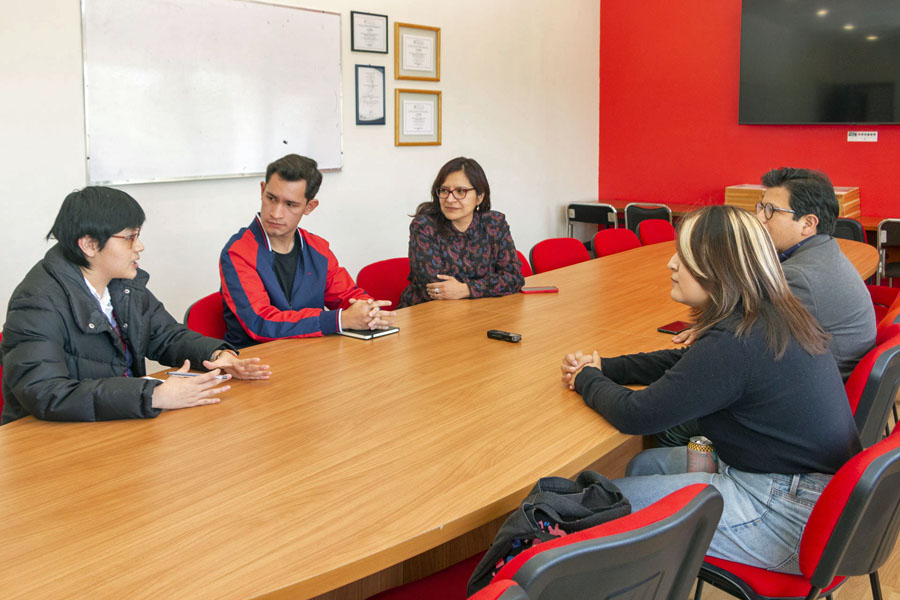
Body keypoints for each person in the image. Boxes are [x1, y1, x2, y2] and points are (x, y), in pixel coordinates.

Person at [560, 205, 861, 575]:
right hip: (811, 493)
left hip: (784, 514)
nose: (671, 264)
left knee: (597, 510)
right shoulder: (768, 314)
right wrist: (606, 366)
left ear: (720, 268)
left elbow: (636, 415)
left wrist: (584, 379)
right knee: (644, 463)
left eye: (684, 257)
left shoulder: (736, 342)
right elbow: (686, 364)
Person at [1, 187, 271, 425]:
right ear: (89, 244)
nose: (139, 246)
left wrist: (217, 355)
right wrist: (153, 395)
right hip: (46, 442)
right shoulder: (36, 302)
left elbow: (166, 336)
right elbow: (46, 392)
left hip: (114, 422)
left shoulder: (120, 282)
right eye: (130, 237)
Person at [660, 167, 876, 446]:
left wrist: (710, 326)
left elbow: (735, 337)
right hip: (828, 403)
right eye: (760, 207)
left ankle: (694, 483)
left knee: (671, 421)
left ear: (808, 224)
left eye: (771, 211)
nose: (759, 218)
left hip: (800, 416)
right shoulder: (824, 254)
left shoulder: (798, 277)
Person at [219, 154, 395, 348]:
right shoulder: (238, 252)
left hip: (310, 356)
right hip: (255, 362)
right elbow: (261, 322)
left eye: (290, 204)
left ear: (309, 206)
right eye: (271, 198)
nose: (276, 213)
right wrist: (339, 320)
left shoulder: (317, 248)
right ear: (262, 191)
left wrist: (368, 310)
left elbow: (347, 296)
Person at [397, 157, 524, 307]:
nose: (450, 199)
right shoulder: (424, 226)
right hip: (429, 313)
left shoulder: (494, 223)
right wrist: (489, 284)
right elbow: (437, 289)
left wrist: (466, 289)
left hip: (482, 310)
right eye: (444, 190)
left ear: (479, 197)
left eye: (460, 191)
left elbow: (514, 278)